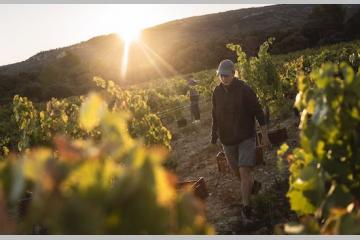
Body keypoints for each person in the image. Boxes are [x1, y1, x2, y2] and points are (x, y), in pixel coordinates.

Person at [211, 59, 270, 219]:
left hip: (246, 136)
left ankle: (246, 207)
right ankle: (251, 186)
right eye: (220, 75)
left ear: (233, 73)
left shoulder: (244, 89)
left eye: (226, 75)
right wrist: (214, 135)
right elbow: (215, 115)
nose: (223, 78)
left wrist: (264, 136)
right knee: (237, 172)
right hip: (227, 140)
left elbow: (259, 112)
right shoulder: (216, 92)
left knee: (244, 170)